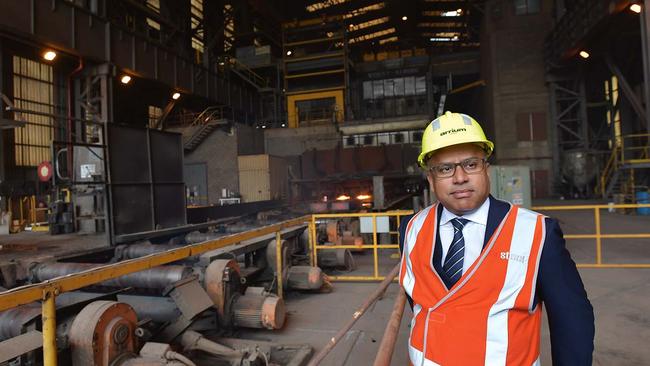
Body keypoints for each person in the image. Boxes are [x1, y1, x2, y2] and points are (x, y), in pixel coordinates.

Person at [398, 112, 594, 365]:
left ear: (486, 169)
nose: (460, 177)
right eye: (445, 168)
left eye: (470, 164)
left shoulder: (537, 233)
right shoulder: (411, 228)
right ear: (431, 179)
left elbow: (572, 320)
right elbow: (420, 301)